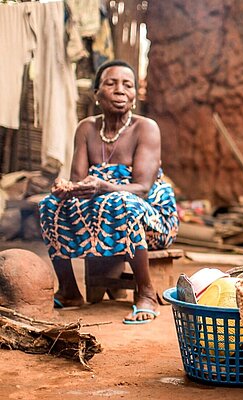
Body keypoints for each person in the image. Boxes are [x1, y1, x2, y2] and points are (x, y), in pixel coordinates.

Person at [38, 60, 178, 324]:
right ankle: (69, 290)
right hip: (100, 208)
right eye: (111, 83)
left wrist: (103, 187)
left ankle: (145, 293)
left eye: (128, 85)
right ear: (97, 94)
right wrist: (65, 189)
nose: (120, 90)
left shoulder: (145, 128)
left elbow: (143, 189)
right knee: (48, 205)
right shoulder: (87, 128)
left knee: (123, 202)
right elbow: (78, 181)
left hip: (150, 217)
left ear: (135, 95)